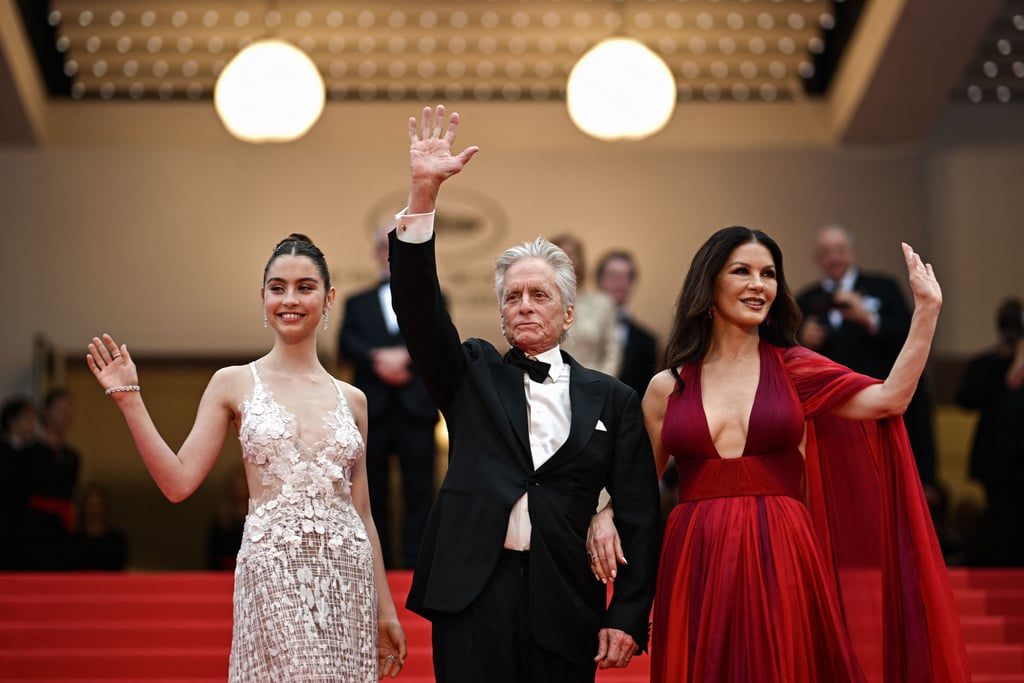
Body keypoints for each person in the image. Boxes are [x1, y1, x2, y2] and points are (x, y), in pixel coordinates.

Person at [588, 226, 970, 681]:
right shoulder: (666, 387)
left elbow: (890, 399)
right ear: (708, 285)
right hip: (696, 555)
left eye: (768, 274)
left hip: (782, 548)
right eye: (742, 271)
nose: (758, 284)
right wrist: (605, 513)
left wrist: (927, 312)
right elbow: (640, 487)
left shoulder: (796, 367)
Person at [389, 105, 661, 683]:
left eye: (539, 295)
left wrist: (630, 614)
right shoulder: (470, 376)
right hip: (471, 596)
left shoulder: (613, 400)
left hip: (565, 600)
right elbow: (418, 312)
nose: (524, 306)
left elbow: (640, 512)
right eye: (513, 297)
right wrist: (422, 196)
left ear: (568, 314)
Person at [85, 233, 406, 681]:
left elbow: (364, 513)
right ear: (263, 297)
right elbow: (178, 483)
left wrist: (385, 608)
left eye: (305, 287)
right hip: (272, 574)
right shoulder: (233, 383)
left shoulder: (353, 400)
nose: (289, 299)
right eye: (277, 288)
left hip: (347, 583)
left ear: (328, 297)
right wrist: (129, 401)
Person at [796, 223, 939, 494]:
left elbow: (909, 336)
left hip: (882, 401)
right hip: (832, 417)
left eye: (839, 250)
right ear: (818, 259)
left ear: (852, 253)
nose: (833, 257)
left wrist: (869, 320)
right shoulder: (805, 300)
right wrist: (802, 337)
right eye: (826, 252)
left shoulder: (883, 288)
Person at [338, 226, 439, 569]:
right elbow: (345, 343)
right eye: (384, 247)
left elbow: (439, 338)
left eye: (396, 248)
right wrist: (376, 358)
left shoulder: (432, 295)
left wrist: (404, 357)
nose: (389, 254)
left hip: (417, 411)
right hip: (373, 413)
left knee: (420, 493)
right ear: (377, 253)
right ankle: (375, 565)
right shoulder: (357, 303)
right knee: (371, 492)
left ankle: (417, 568)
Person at [955, 297, 1024, 566]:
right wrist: (1001, 361)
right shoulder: (987, 363)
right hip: (997, 460)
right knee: (1001, 522)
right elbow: (966, 399)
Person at [21, 388, 81, 569]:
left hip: (62, 525)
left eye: (69, 411)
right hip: (33, 527)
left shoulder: (72, 456)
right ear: (46, 413)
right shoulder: (28, 453)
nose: (66, 416)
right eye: (62, 410)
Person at [550, 235, 622, 377]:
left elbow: (612, 353)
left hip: (595, 385)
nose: (566, 260)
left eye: (571, 254)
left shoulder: (603, 303)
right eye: (559, 254)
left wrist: (600, 385)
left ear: (581, 261)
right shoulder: (540, 305)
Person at [595, 250, 659, 400]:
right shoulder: (576, 329)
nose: (620, 283)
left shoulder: (648, 341)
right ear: (599, 280)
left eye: (626, 276)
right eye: (613, 275)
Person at [0, 395, 35, 569]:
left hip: (29, 524)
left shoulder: (37, 452)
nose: (32, 422)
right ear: (12, 420)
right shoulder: (3, 451)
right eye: (27, 416)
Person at [70, 481, 128, 570]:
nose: (96, 510)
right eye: (92, 505)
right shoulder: (73, 541)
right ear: (84, 508)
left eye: (99, 505)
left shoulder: (116, 540)